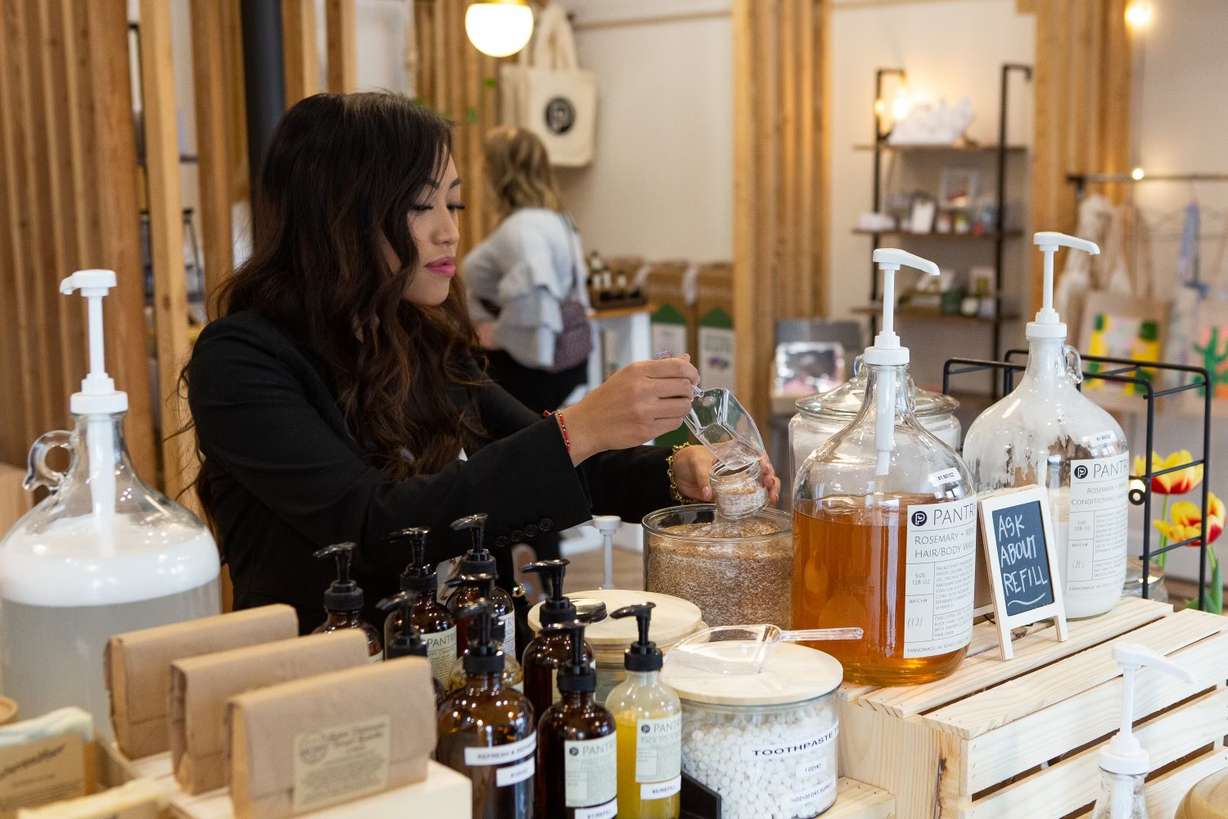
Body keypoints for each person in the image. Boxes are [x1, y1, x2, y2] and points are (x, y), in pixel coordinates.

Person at [183, 93, 779, 635]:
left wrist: (678, 471)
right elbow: (369, 525)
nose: (450, 231)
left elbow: (553, 458)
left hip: (469, 657)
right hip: (330, 677)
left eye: (456, 202)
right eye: (421, 206)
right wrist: (583, 426)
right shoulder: (242, 360)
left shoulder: (421, 337)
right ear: (338, 217)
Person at [464, 126, 590, 416]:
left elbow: (535, 303)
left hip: (521, 367)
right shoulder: (559, 220)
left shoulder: (522, 229)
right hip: (558, 362)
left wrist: (494, 335)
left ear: (497, 172)